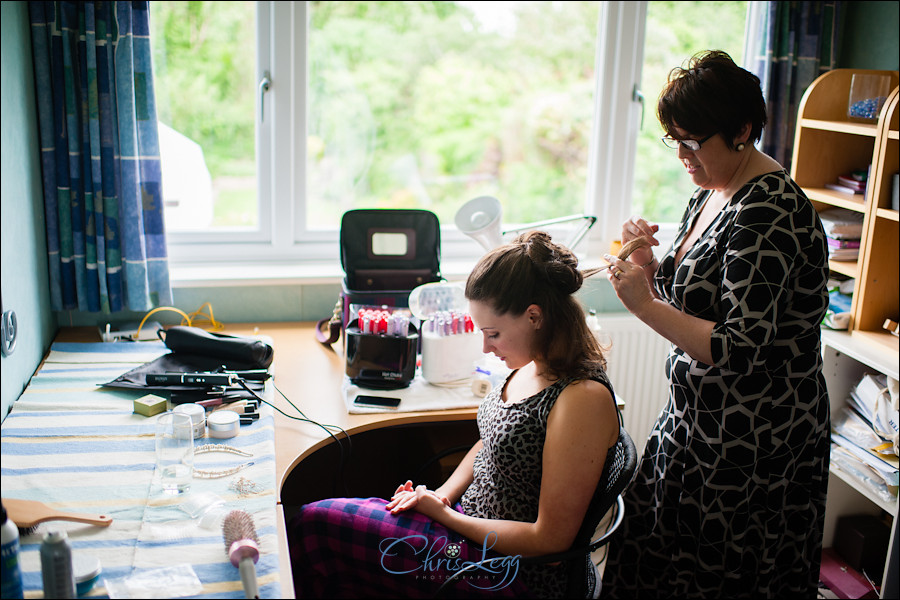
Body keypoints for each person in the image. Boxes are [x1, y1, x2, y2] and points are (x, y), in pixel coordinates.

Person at [599, 50, 830, 598]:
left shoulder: (769, 211)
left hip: (752, 451)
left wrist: (644, 306)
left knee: (717, 580)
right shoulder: (712, 188)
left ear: (742, 130)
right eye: (673, 140)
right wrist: (648, 269)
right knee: (653, 561)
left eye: (692, 141)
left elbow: (739, 347)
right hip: (696, 427)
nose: (681, 155)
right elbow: (698, 303)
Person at [288, 231, 621, 598]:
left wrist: (446, 517)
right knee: (323, 523)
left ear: (534, 317)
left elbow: (550, 543)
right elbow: (490, 442)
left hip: (508, 571)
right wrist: (442, 496)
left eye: (492, 333)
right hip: (468, 529)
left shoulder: (581, 400)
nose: (485, 346)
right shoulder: (533, 364)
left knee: (315, 528)